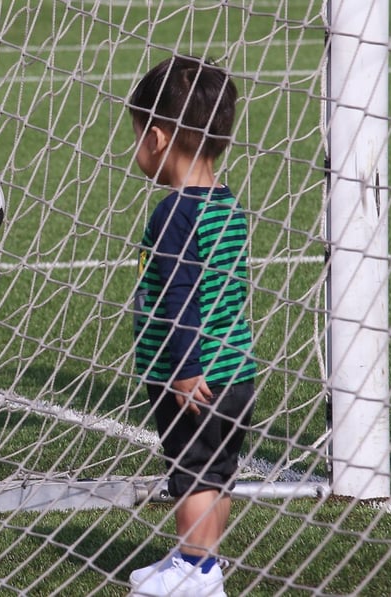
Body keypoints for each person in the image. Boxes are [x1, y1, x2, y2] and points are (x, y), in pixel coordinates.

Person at [126, 55, 257, 597]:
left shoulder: (174, 213)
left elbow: (180, 299)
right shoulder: (227, 205)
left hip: (194, 378)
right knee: (216, 471)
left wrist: (183, 370)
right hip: (235, 372)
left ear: (157, 138)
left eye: (135, 135)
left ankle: (197, 574)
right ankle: (197, 561)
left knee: (193, 473)